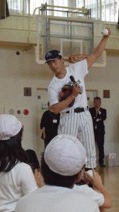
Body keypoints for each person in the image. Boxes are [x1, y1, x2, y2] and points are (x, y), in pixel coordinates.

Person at [45, 29, 111, 170]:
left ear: (61, 59)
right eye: (49, 63)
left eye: (54, 61)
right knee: (66, 151)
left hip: (85, 114)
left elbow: (96, 54)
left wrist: (105, 37)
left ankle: (90, 180)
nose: (53, 65)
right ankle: (67, 180)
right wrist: (72, 96)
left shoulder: (76, 69)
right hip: (68, 117)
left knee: (89, 150)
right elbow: (55, 108)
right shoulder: (53, 85)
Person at [89, 96, 107, 167]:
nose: (96, 104)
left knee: (100, 147)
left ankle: (101, 162)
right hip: (92, 131)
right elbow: (90, 118)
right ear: (93, 103)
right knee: (91, 147)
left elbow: (104, 117)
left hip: (100, 131)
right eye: (95, 102)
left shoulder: (103, 110)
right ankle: (91, 162)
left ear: (100, 103)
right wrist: (98, 119)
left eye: (98, 102)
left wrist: (99, 113)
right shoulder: (90, 110)